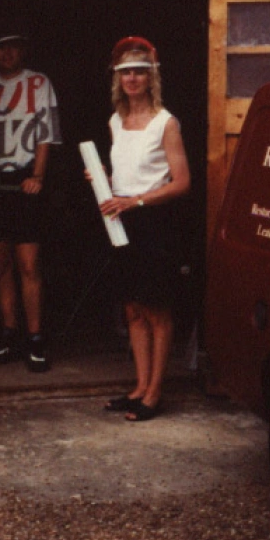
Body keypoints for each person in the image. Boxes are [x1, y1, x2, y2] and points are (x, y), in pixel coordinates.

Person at [93, 37, 190, 421]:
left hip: (154, 221)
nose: (132, 78)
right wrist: (102, 179)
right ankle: (139, 386)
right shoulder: (116, 121)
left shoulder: (166, 122)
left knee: (156, 310)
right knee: (133, 308)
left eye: (139, 72)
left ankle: (154, 393)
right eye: (125, 72)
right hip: (121, 220)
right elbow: (126, 173)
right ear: (118, 78)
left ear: (151, 78)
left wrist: (135, 201)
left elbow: (181, 183)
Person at [0, 29, 61, 372]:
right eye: (0, 48)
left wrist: (38, 175)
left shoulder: (39, 82)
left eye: (12, 48)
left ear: (23, 50)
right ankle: (9, 334)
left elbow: (46, 134)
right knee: (1, 264)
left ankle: (35, 339)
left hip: (24, 182)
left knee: (28, 264)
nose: (6, 54)